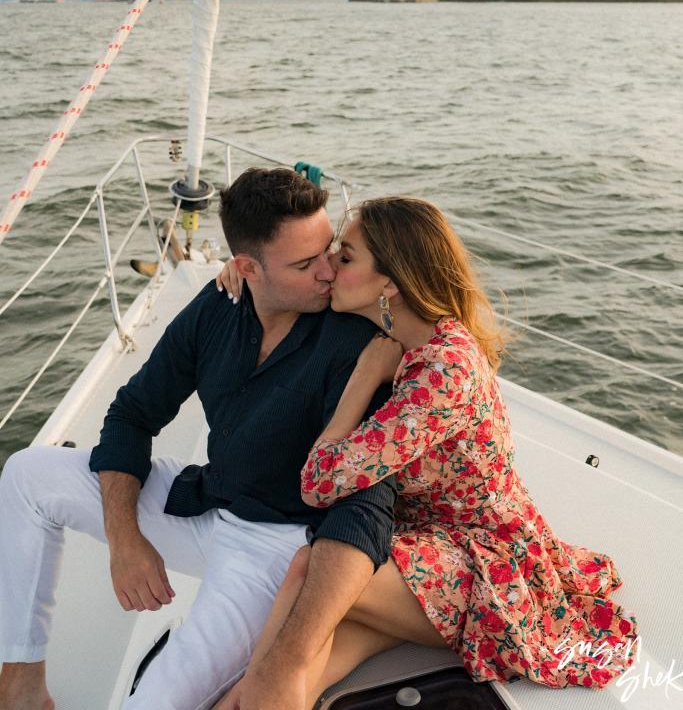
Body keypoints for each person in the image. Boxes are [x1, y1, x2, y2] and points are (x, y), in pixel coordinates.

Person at [219, 196, 639, 710]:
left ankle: (263, 688)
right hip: (430, 546)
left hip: (484, 568)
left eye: (345, 258)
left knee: (314, 577)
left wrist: (364, 379)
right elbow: (282, 249)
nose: (329, 268)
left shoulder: (442, 373)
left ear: (391, 282)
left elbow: (320, 481)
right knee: (302, 662)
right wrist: (244, 272)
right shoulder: (416, 334)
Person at [0, 168, 397, 710]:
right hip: (209, 499)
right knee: (26, 475)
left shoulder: (353, 340)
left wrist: (289, 654)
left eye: (328, 251)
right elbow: (132, 414)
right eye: (306, 264)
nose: (330, 272)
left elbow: (364, 508)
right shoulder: (220, 305)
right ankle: (21, 689)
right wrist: (125, 539)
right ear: (246, 268)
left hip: (277, 547)